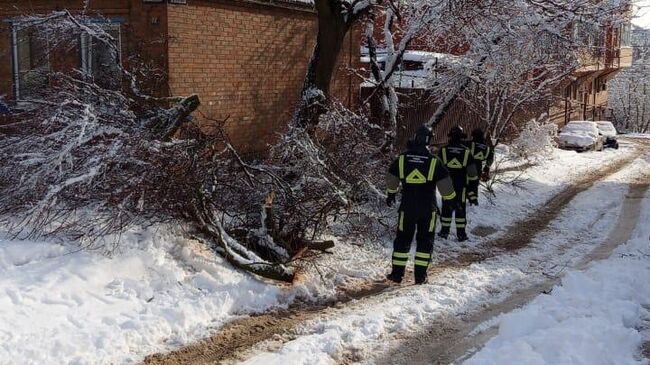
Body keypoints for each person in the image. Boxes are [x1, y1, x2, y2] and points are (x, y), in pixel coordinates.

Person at [385, 125, 456, 284]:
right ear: (429, 140)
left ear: (415, 137)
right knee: (425, 241)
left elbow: (391, 178)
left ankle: (397, 275)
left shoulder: (402, 159)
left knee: (402, 240)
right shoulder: (434, 162)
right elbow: (446, 188)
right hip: (427, 209)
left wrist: (391, 193)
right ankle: (420, 276)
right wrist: (451, 202)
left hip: (407, 207)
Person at [437, 126, 478, 242]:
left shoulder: (443, 150)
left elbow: (438, 168)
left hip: (447, 185)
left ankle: (444, 232)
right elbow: (473, 173)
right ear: (461, 137)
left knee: (446, 206)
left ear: (450, 136)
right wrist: (473, 188)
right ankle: (461, 234)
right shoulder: (466, 152)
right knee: (460, 208)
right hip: (461, 185)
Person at [466, 128, 494, 206]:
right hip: (478, 168)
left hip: (467, 167)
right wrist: (487, 167)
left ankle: (464, 198)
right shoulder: (487, 148)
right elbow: (491, 158)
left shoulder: (469, 144)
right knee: (474, 184)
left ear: (473, 136)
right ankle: (474, 200)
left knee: (465, 184)